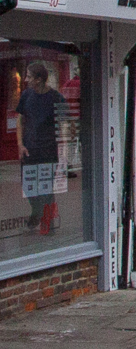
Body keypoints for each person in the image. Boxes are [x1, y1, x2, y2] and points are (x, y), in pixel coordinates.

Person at [16, 63, 66, 233]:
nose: (25, 79)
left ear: (38, 80)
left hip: (48, 151)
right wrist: (20, 144)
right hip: (29, 150)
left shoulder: (55, 98)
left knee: (46, 188)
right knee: (28, 186)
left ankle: (48, 223)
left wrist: (65, 149)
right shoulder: (26, 95)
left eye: (29, 76)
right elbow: (20, 120)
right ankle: (37, 212)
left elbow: (66, 123)